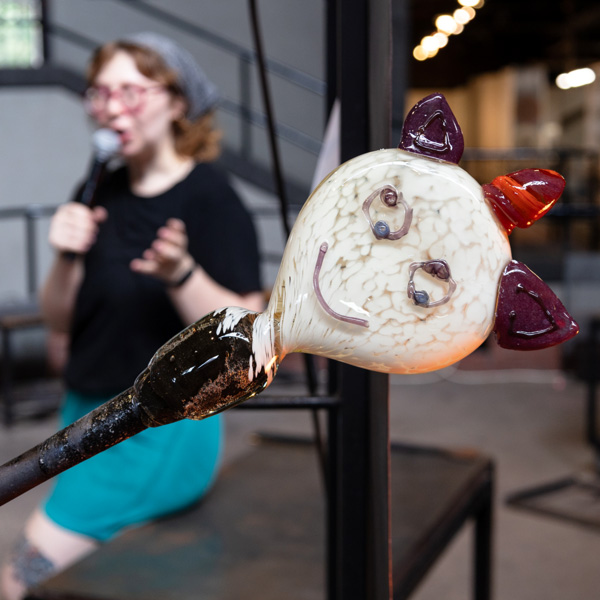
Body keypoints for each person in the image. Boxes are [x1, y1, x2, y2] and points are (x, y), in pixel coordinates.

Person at [1, 32, 263, 600]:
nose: (110, 107)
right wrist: (66, 257)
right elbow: (61, 321)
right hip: (84, 412)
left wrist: (181, 274)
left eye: (130, 91)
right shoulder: (99, 190)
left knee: (21, 574)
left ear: (176, 102)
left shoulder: (209, 196)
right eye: (100, 93)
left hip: (156, 425)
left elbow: (251, 332)